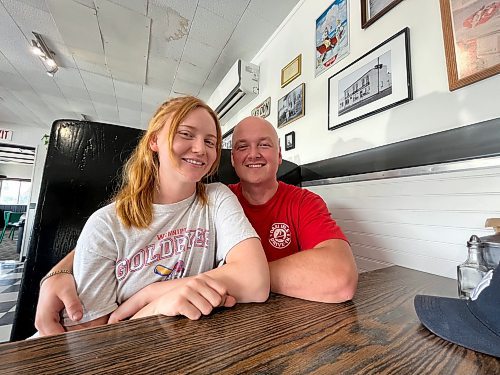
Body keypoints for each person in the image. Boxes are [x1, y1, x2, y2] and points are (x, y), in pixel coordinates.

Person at [34, 97, 270, 335]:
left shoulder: (217, 197)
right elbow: (92, 340)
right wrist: (158, 306)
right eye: (186, 134)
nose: (200, 149)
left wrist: (151, 297)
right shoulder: (105, 224)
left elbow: (255, 281)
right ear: (154, 140)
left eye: (210, 141)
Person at [228, 116, 357, 303]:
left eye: (264, 145)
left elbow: (340, 279)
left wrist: (243, 277)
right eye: (242, 147)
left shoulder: (305, 201)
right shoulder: (219, 201)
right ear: (232, 159)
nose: (253, 154)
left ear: (279, 155)